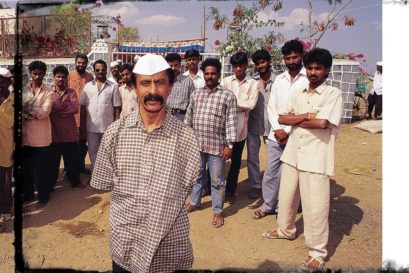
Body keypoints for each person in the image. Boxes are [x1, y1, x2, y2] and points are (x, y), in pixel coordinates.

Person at [90, 54, 201, 273]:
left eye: (159, 82)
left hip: (169, 248)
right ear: (134, 88)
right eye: (145, 83)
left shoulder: (186, 138)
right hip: (126, 243)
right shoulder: (115, 133)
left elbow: (185, 187)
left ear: (170, 87)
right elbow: (104, 181)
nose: (152, 91)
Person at [261, 48, 343, 271]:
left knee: (314, 206)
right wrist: (306, 117)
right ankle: (285, 230)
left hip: (315, 157)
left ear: (327, 70)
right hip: (293, 154)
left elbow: (323, 123)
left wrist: (295, 121)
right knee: (286, 196)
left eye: (318, 68)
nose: (313, 72)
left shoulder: (332, 94)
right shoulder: (299, 92)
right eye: (310, 68)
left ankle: (318, 251)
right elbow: (281, 116)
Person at [252, 40, 309, 219]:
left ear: (301, 57)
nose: (291, 61)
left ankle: (286, 208)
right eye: (288, 58)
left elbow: (306, 111)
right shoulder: (280, 80)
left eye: (295, 57)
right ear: (284, 59)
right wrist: (278, 130)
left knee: (293, 174)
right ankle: (268, 205)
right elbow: (272, 107)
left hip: (297, 134)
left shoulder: (308, 79)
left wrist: (287, 130)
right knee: (271, 172)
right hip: (275, 135)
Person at [184, 58, 237, 228]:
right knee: (197, 176)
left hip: (217, 147)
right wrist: (186, 139)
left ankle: (218, 211)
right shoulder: (196, 93)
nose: (209, 76)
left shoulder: (227, 95)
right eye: (206, 73)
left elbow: (231, 122)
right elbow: (188, 118)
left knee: (217, 181)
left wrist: (229, 146)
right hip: (197, 145)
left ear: (219, 74)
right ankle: (195, 201)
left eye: (213, 73)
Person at [221, 51, 259, 203]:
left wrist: (232, 104)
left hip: (241, 130)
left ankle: (230, 191)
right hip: (223, 129)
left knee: (236, 162)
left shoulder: (253, 84)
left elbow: (251, 105)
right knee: (218, 160)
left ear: (246, 66)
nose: (238, 69)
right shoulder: (225, 82)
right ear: (232, 67)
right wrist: (239, 106)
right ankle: (212, 188)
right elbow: (220, 102)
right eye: (235, 66)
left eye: (241, 66)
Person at [22, 60, 55, 206]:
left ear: (44, 74)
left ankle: (43, 196)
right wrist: (32, 111)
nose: (37, 76)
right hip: (26, 138)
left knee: (43, 170)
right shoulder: (23, 90)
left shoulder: (48, 92)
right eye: (35, 73)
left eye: (40, 73)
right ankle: (28, 195)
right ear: (30, 74)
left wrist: (27, 112)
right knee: (28, 170)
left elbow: (44, 113)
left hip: (42, 138)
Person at [79, 59, 121, 174]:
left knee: (108, 152)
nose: (100, 72)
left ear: (107, 70)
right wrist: (82, 125)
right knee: (93, 152)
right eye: (97, 70)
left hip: (108, 126)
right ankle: (95, 175)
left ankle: (107, 176)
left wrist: (116, 125)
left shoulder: (113, 86)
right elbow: (82, 106)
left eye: (103, 69)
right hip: (91, 126)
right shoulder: (88, 86)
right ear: (94, 71)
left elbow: (117, 107)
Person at [247, 49, 276, 198]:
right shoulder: (252, 82)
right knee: (252, 157)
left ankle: (271, 187)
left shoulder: (279, 81)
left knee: (272, 159)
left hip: (273, 126)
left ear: (269, 62)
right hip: (253, 125)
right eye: (257, 63)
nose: (260, 65)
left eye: (263, 62)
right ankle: (256, 185)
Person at [49, 66, 81, 189]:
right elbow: (49, 109)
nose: (61, 79)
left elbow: (74, 108)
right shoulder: (49, 93)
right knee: (53, 162)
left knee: (72, 160)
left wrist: (57, 108)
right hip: (54, 134)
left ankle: (75, 182)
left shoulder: (71, 92)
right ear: (53, 78)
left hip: (70, 133)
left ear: (67, 78)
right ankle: (50, 184)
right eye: (58, 76)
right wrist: (65, 106)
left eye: (63, 77)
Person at [68, 53, 94, 175]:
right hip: (71, 116)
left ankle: (81, 166)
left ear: (87, 64)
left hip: (85, 115)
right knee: (72, 144)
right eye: (79, 62)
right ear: (75, 63)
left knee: (83, 144)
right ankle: (70, 169)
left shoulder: (90, 77)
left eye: (83, 63)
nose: (81, 65)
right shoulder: (69, 76)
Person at [165, 53, 195, 122]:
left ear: (180, 65)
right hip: (165, 116)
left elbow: (192, 102)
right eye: (171, 66)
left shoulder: (188, 81)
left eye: (176, 65)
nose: (173, 68)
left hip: (182, 117)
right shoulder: (163, 82)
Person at [0, 68, 14, 222]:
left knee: (5, 180)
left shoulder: (14, 101)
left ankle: (5, 209)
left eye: (2, 80)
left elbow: (11, 123)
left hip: (6, 147)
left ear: (9, 82)